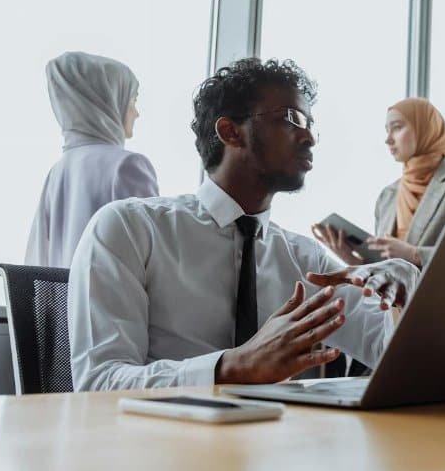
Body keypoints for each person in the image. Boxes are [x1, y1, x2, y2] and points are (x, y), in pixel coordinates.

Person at [68, 58, 419, 391]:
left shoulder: (307, 260)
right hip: (161, 447)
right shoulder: (131, 228)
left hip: (278, 446)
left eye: (310, 124)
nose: (310, 137)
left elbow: (392, 358)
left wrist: (405, 300)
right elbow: (99, 381)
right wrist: (231, 367)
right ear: (231, 132)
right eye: (292, 118)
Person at [312, 97, 445, 268]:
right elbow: (389, 272)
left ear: (425, 129)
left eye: (397, 128)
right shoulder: (388, 195)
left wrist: (415, 254)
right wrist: (354, 261)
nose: (388, 140)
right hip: (397, 300)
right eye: (387, 131)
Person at [25, 51, 158, 267]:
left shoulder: (59, 170)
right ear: (109, 101)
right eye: (133, 100)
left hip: (66, 301)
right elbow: (151, 258)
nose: (136, 113)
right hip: (113, 300)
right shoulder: (127, 166)